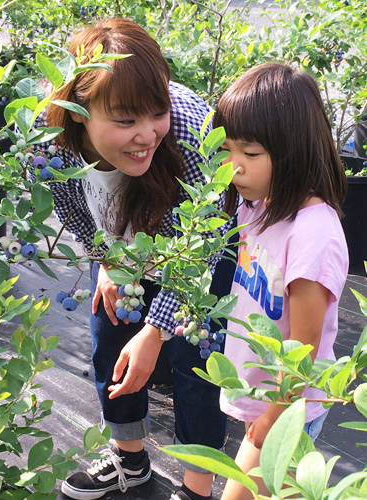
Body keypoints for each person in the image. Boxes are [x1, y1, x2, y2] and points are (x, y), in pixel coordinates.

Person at [32, 18, 234, 500]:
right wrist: (105, 262)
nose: (148, 134)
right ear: (79, 113)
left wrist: (157, 328)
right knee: (108, 334)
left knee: (198, 360)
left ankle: (196, 488)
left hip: (203, 241)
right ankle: (130, 461)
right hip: (129, 247)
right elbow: (74, 213)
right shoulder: (47, 148)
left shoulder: (188, 129)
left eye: (155, 112)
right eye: (125, 121)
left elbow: (212, 231)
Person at [212, 62, 349, 500]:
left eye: (250, 154)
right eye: (226, 150)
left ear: (293, 151)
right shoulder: (258, 205)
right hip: (266, 399)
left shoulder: (313, 233)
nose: (234, 167)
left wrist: (275, 414)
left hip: (289, 406)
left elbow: (303, 346)